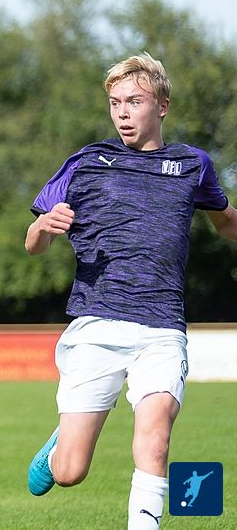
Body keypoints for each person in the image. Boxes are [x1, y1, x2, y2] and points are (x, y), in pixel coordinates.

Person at [24, 53, 237, 530]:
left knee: (156, 440)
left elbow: (225, 222)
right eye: (115, 102)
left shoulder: (193, 164)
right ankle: (60, 446)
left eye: (134, 101)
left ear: (162, 105)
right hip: (96, 325)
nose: (122, 112)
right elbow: (33, 244)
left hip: (162, 328)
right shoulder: (86, 163)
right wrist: (42, 227)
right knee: (70, 472)